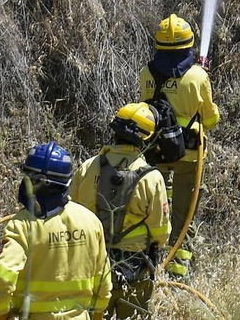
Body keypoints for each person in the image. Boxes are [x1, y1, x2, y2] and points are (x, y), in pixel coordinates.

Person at [0, 141, 113, 320]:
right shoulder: (91, 221)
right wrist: (97, 314)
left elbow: (2, 278)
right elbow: (103, 282)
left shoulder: (22, 225)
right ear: (67, 182)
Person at [138, 14, 221, 278]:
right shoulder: (198, 76)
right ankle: (177, 269)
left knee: (153, 207)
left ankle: (147, 261)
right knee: (185, 214)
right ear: (189, 46)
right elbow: (211, 120)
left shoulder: (146, 74)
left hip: (155, 152)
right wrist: (203, 81)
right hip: (189, 156)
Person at [70, 104, 170, 318]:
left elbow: (70, 212)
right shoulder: (151, 178)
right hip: (135, 268)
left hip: (91, 265)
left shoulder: (88, 168)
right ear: (145, 138)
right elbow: (160, 232)